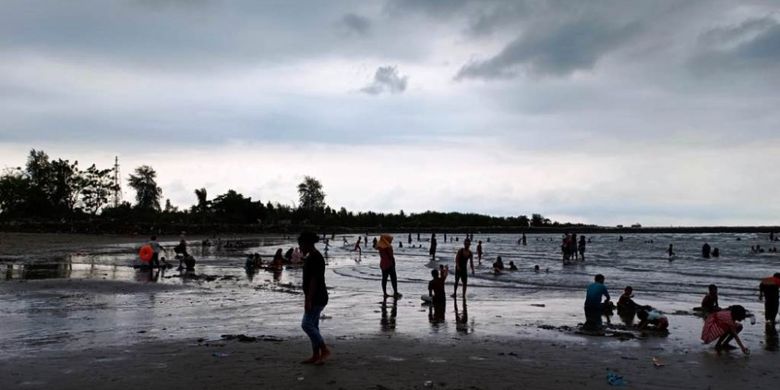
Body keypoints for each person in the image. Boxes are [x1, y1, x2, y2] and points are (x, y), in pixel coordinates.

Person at [299, 231, 330, 365]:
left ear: (307, 244)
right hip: (317, 296)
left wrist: (308, 300)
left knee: (306, 324)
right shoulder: (312, 256)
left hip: (317, 296)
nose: (300, 249)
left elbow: (314, 280)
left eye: (301, 246)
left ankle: (324, 350)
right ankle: (316, 355)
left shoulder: (314, 258)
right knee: (314, 326)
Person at [377, 234, 401, 298]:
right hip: (389, 264)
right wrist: (393, 262)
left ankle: (385, 293)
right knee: (393, 278)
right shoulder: (388, 247)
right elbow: (391, 256)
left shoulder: (380, 246)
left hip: (383, 264)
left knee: (384, 279)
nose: (391, 241)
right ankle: (395, 292)